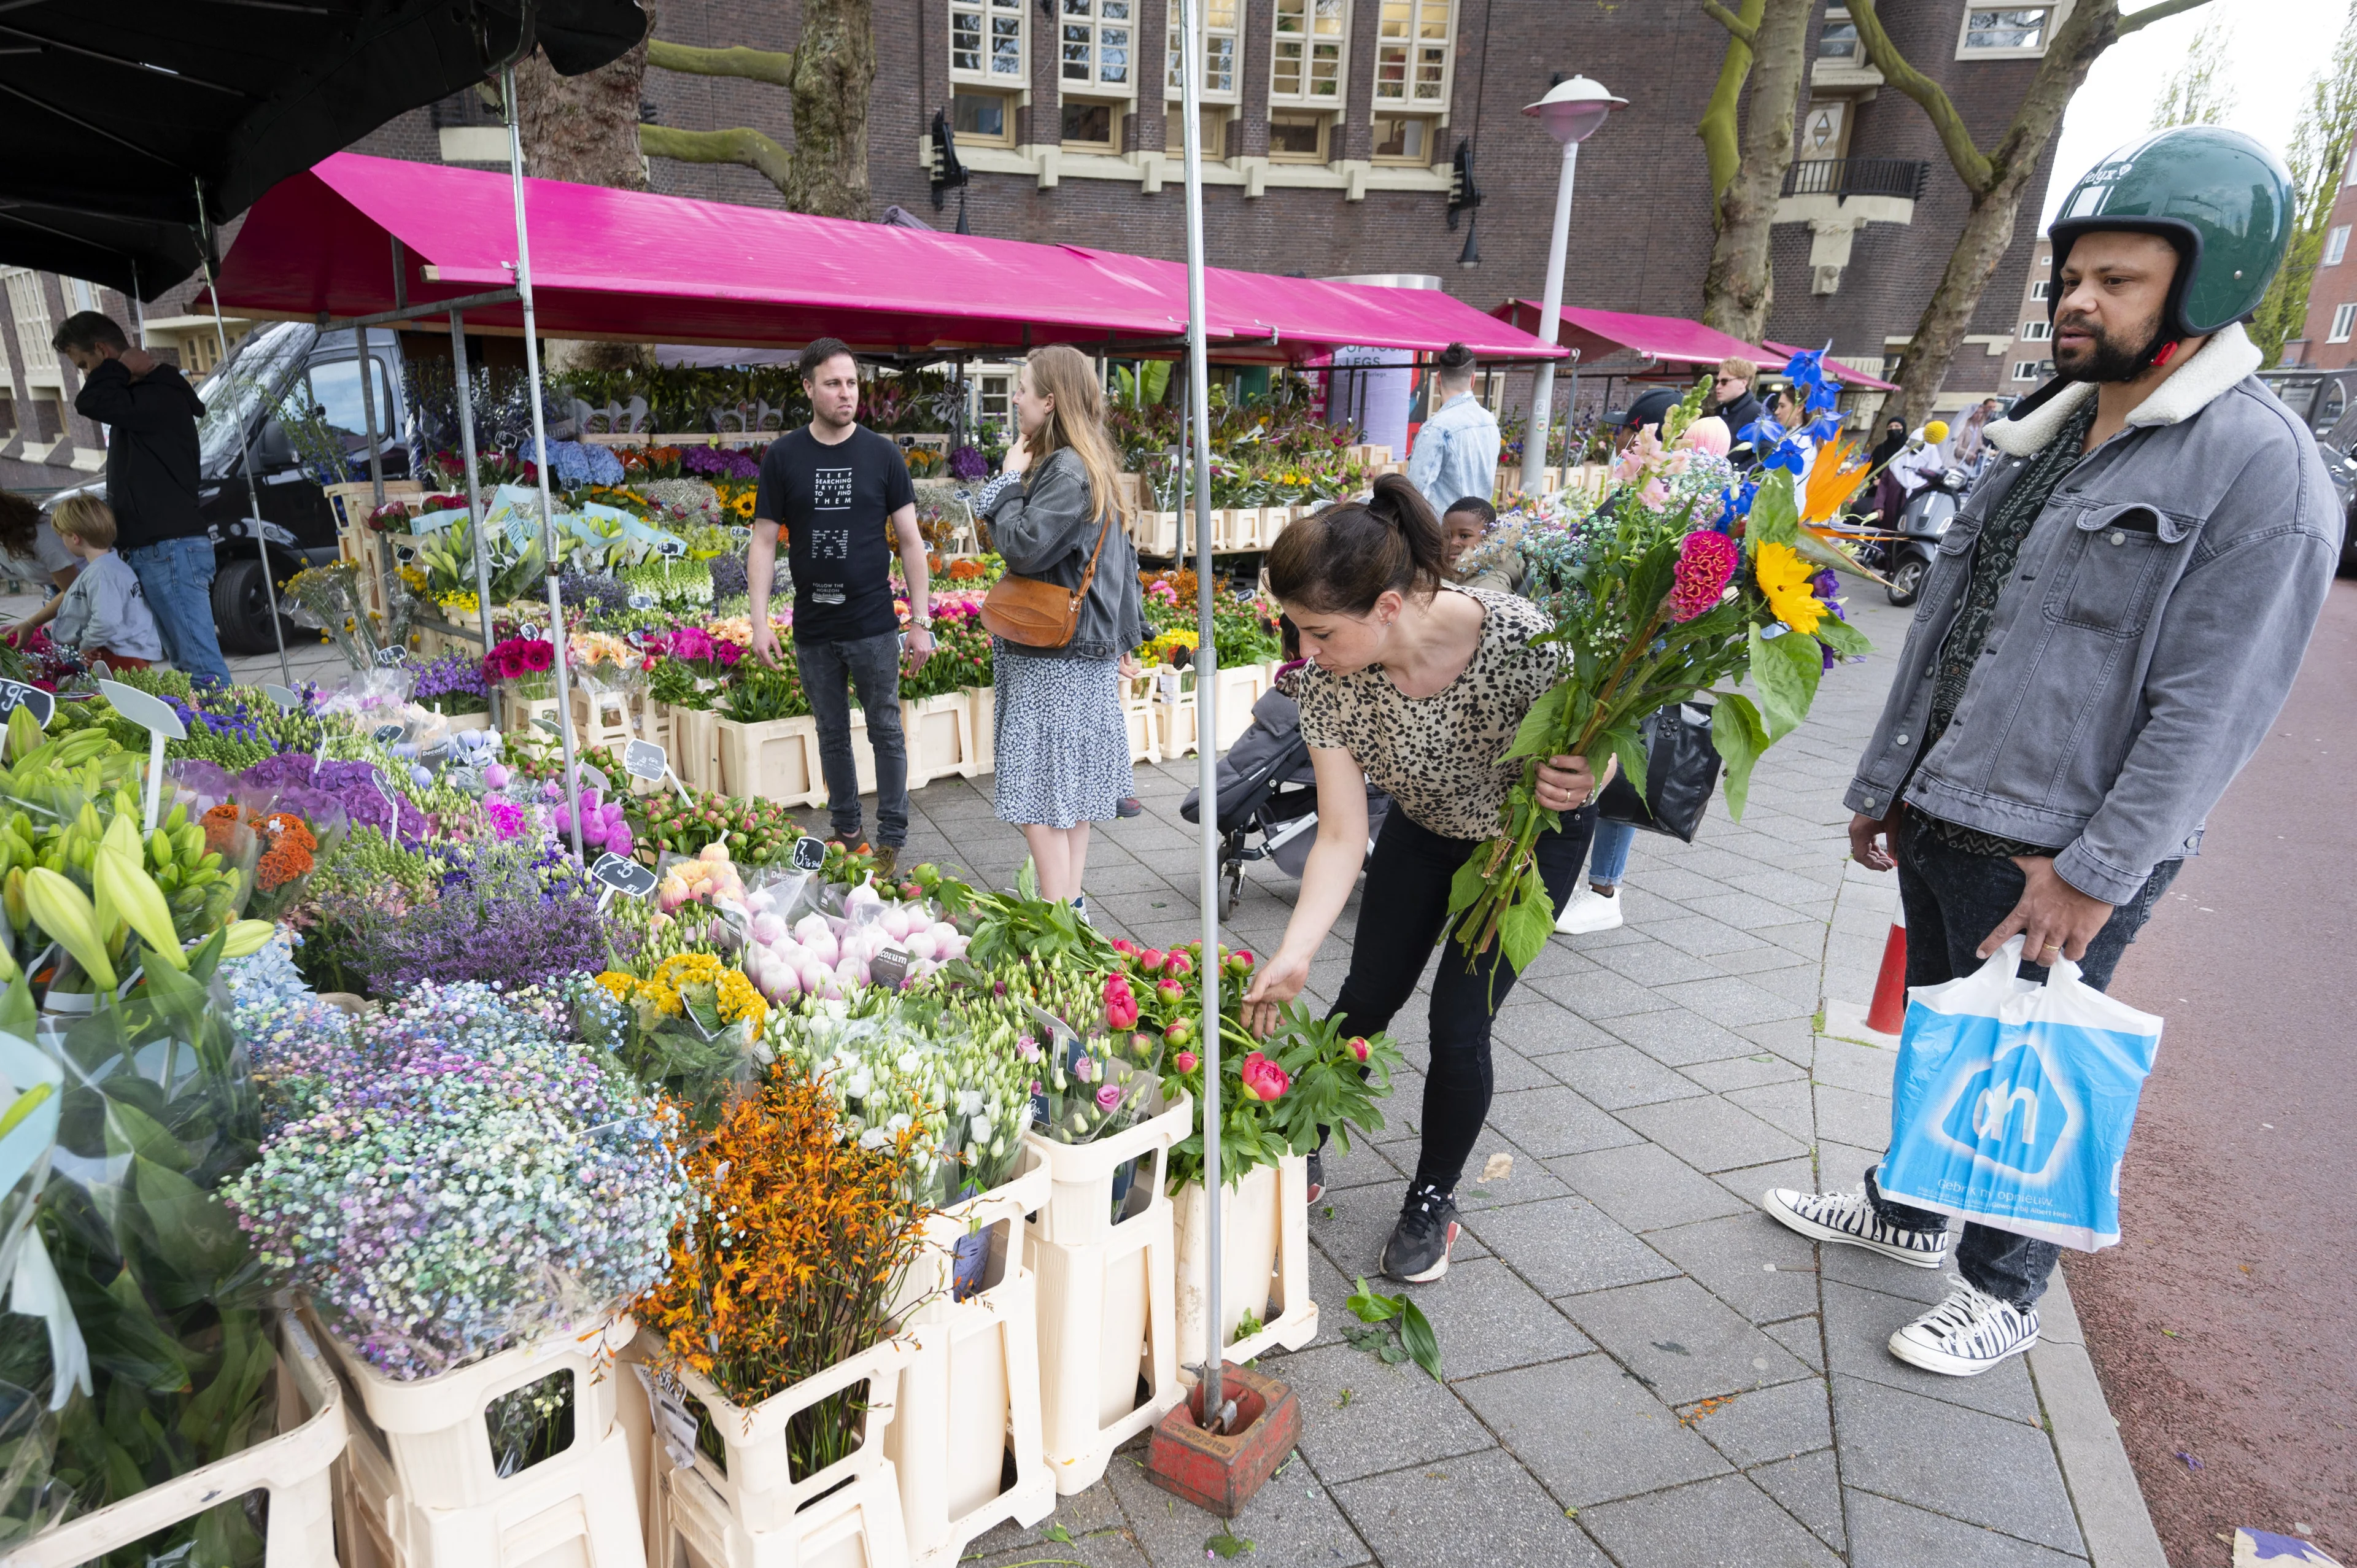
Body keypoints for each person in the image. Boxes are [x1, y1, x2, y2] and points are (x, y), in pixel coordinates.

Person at [1763, 126, 2334, 1378]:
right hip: (1944, 804)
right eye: (2073, 274)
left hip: (2058, 842)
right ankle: (1909, 1209)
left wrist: (2096, 870)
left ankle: (2004, 1285)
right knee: (1938, 1032)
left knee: (2035, 1061)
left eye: (2117, 280)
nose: (2078, 297)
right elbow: (1961, 623)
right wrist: (1887, 786)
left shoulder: (2260, 470)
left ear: (2200, 290)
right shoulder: (2045, 430)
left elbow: (2213, 707)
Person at [1237, 476, 1600, 1283]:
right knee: (1364, 996)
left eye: (1319, 631)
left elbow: (1596, 743)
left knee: (1459, 1022)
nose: (1305, 653)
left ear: (1390, 607)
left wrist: (1584, 774)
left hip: (1522, 848)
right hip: (1426, 828)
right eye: (1298, 630)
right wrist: (1295, 950)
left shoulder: (1522, 640)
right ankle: (1306, 1138)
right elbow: (1339, 832)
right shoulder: (1332, 681)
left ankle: (1433, 1197)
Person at [749, 338, 935, 875]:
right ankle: (849, 832)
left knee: (886, 729)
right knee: (830, 732)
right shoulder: (784, 456)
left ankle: (891, 840)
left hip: (873, 624)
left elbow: (910, 540)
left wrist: (920, 622)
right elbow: (763, 542)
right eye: (833, 383)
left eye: (852, 382)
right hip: (813, 626)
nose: (846, 392)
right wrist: (760, 623)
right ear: (808, 387)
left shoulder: (881, 454)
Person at [970, 346, 1145, 916]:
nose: (1015, 398)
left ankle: (1057, 918)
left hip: (1054, 656)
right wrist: (1128, 639)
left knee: (1040, 796)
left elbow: (1022, 547)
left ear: (1050, 400)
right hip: (1074, 654)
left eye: (1022, 388)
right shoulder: (1088, 464)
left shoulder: (1065, 469)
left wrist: (1004, 484)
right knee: (1067, 795)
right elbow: (1122, 562)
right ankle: (1070, 914)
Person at [53, 312, 231, 687]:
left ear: (103, 351)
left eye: (85, 364)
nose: (87, 374)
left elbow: (91, 402)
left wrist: (117, 367)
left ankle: (245, 737)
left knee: (200, 668)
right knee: (187, 665)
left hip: (170, 550)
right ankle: (222, 731)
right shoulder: (142, 398)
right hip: (161, 550)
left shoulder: (157, 395)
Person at [42, 496, 163, 671]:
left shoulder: (101, 573)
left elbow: (107, 620)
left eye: (62, 536)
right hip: (130, 653)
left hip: (118, 657)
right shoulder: (116, 566)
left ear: (75, 538)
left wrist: (86, 645)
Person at [1406, 343, 1500, 517]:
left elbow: (1414, 495)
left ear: (1439, 378)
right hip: (1481, 530)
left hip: (1444, 534)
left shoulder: (1437, 428)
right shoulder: (1490, 422)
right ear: (1473, 379)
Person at [0, 490, 81, 638]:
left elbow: (74, 591)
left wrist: (31, 624)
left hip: (86, 589)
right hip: (59, 589)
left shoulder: (43, 536)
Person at [1438, 496, 1522, 595]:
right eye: (1446, 536)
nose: (1453, 542)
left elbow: (1486, 606)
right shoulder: (1444, 568)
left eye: (1464, 536)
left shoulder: (1494, 578)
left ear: (1488, 536)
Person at [1709, 357, 1763, 450]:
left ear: (1743, 383)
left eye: (1724, 382)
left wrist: (1738, 466)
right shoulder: (1721, 411)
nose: (1718, 386)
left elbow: (1764, 453)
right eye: (1716, 382)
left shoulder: (1759, 413)